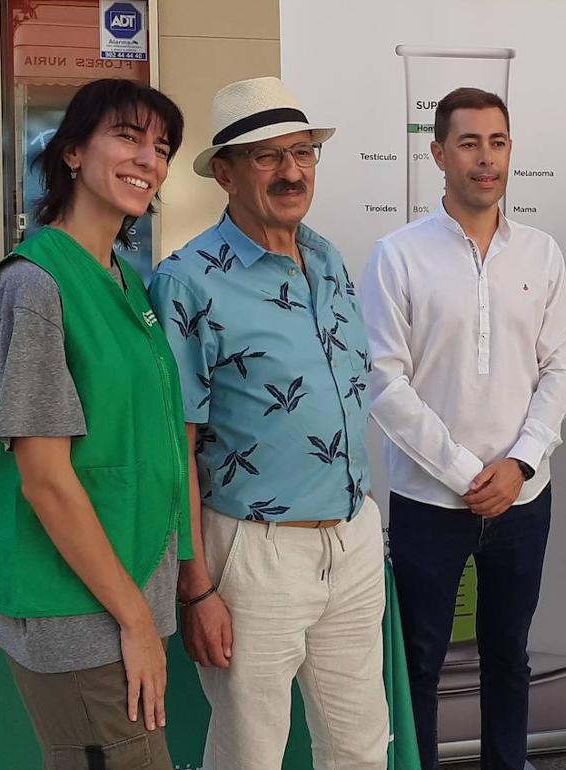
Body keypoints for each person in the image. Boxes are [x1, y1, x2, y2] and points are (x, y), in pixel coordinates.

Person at [148, 76, 387, 770]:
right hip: (253, 552)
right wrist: (196, 585)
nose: (291, 172)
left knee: (360, 745)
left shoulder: (327, 258)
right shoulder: (186, 280)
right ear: (223, 173)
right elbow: (175, 447)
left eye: (303, 152)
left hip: (350, 538)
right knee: (251, 750)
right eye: (267, 157)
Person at [0, 78, 188, 769]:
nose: (149, 158)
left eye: (163, 146)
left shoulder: (123, 281)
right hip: (88, 615)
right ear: (72, 153)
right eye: (128, 136)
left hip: (119, 595)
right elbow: (44, 479)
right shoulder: (35, 286)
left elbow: (144, 448)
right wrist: (136, 622)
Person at [361, 86, 566, 770]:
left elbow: (562, 368)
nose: (486, 159)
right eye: (469, 143)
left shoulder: (541, 254)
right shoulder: (398, 255)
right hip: (431, 501)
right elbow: (383, 381)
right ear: (437, 153)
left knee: (507, 657)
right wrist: (463, 472)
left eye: (498, 142)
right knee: (421, 660)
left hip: (523, 496)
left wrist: (518, 464)